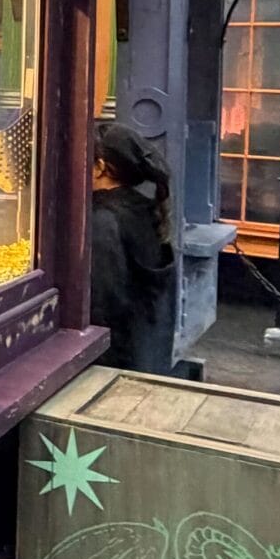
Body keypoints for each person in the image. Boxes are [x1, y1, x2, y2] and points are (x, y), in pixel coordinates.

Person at [88, 121, 176, 373]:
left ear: (100, 168)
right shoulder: (144, 209)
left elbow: (103, 303)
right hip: (146, 354)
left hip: (114, 363)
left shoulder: (103, 220)